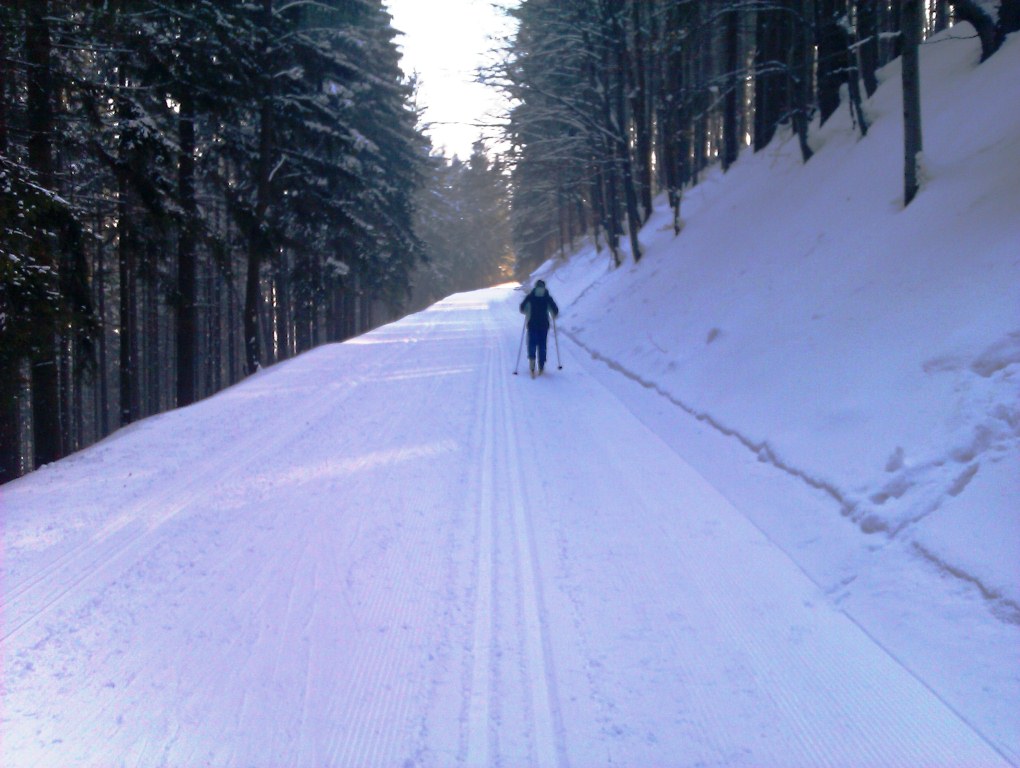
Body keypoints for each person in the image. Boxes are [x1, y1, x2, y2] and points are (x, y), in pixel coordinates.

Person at [519, 279, 559, 377]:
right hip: (544, 325)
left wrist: (527, 311)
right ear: (544, 287)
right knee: (542, 345)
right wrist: (553, 314)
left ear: (535, 286)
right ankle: (541, 366)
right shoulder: (547, 297)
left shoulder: (530, 296)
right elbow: (555, 311)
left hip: (532, 325)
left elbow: (522, 308)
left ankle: (532, 365)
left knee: (532, 344)